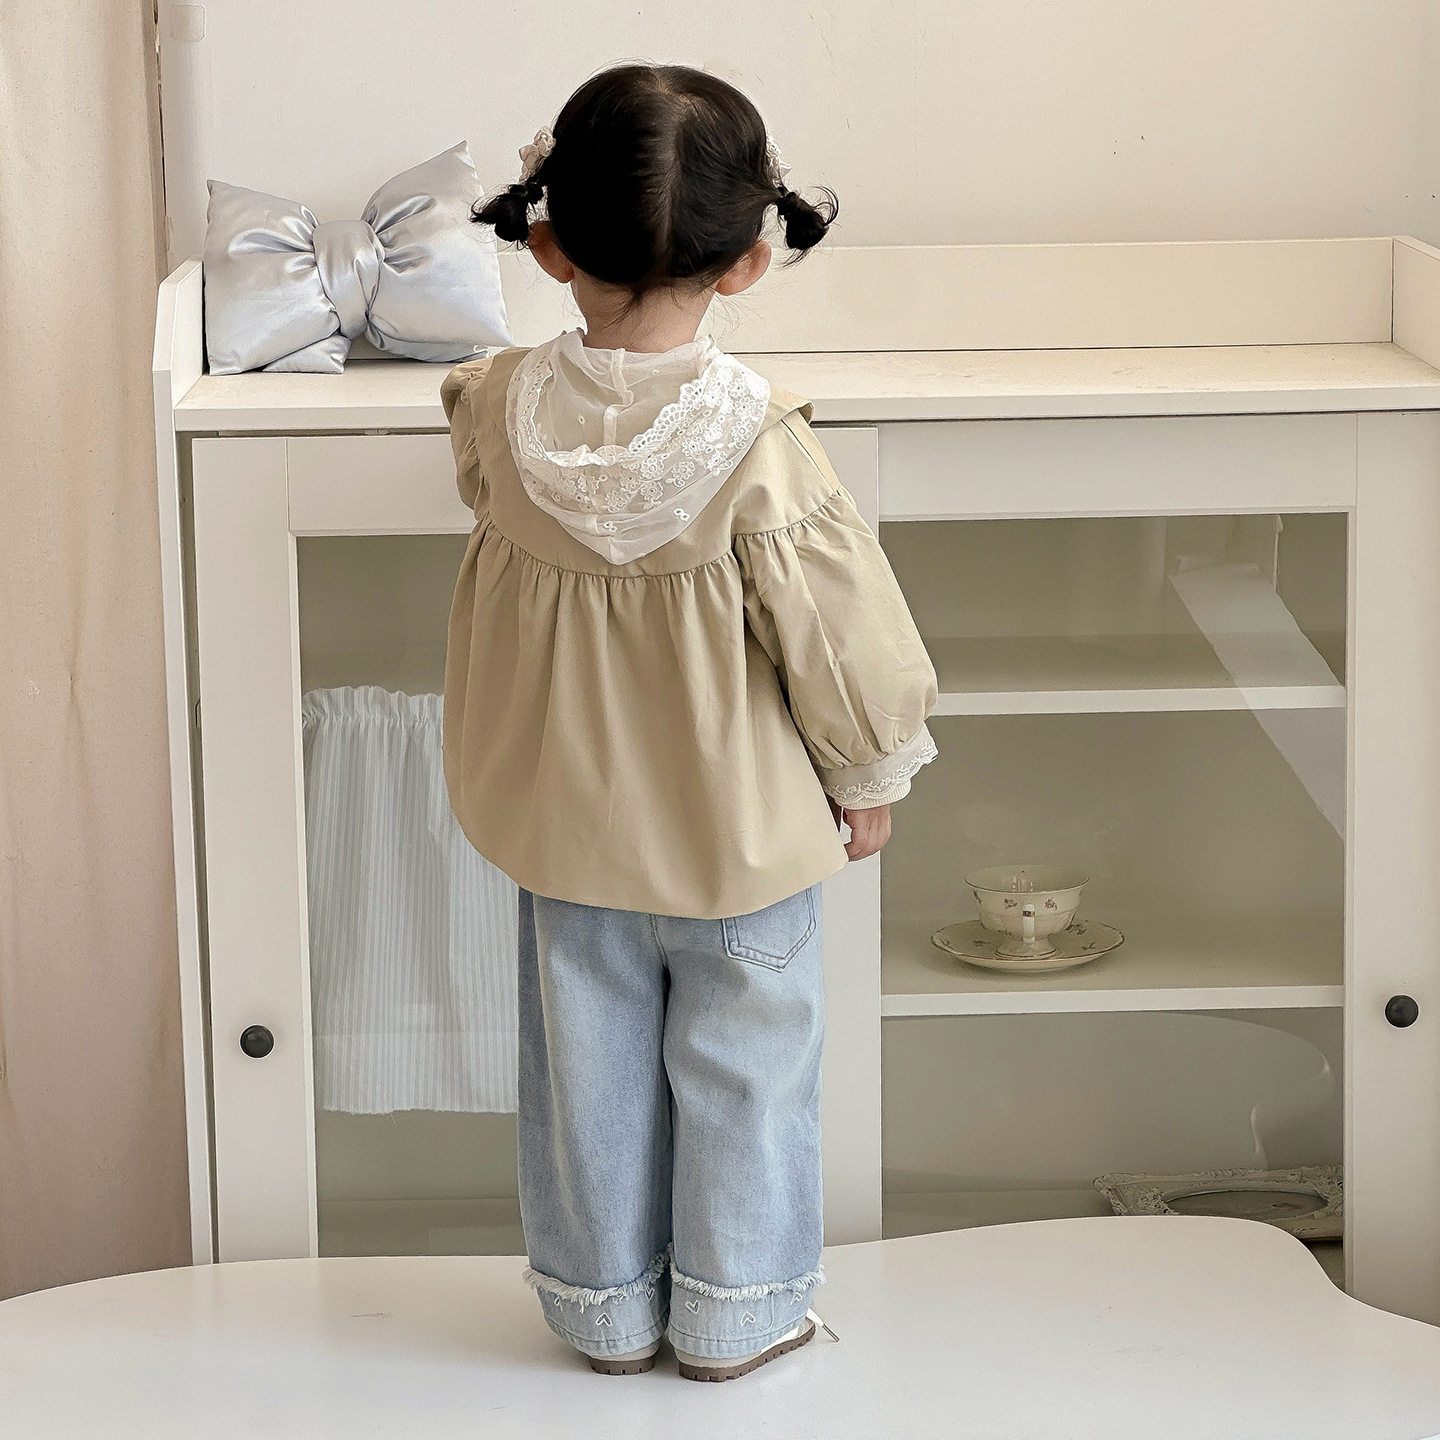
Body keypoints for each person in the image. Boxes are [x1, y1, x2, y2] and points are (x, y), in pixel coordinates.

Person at [442, 61, 937, 1382]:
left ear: (549, 244)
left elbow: (489, 510)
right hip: (742, 842)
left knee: (587, 1079)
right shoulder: (763, 448)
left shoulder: (494, 411)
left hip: (565, 835)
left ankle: (603, 1314)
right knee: (749, 1067)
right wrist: (871, 778)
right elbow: (846, 645)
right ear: (750, 260)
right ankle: (736, 1315)